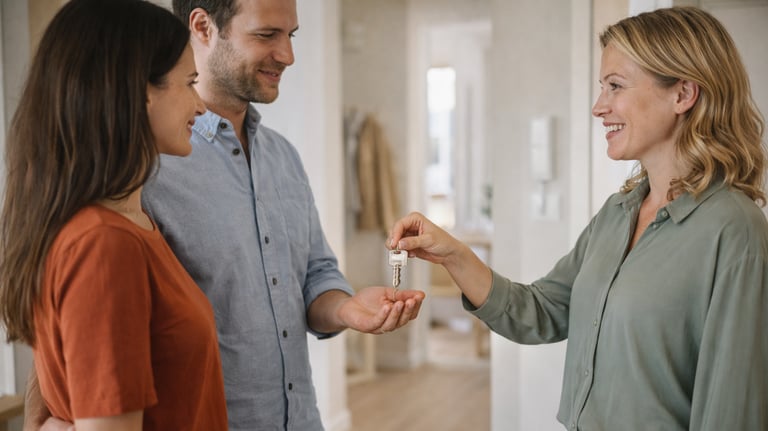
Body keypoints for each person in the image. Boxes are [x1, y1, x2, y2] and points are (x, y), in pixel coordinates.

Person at [26, 0, 425, 430]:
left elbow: (316, 272)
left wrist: (347, 309)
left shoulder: (283, 157)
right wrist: (44, 422)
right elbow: (80, 326)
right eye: (266, 34)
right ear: (202, 27)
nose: (288, 55)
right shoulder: (137, 179)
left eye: (290, 35)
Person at [388, 7, 767, 431]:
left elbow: (732, 411)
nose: (598, 107)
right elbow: (542, 311)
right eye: (602, 87)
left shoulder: (735, 231)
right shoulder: (618, 213)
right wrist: (453, 254)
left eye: (615, 86)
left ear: (683, 94)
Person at [0, 0, 229, 430]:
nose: (201, 107)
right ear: (141, 92)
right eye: (189, 83)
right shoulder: (103, 246)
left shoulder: (124, 223)